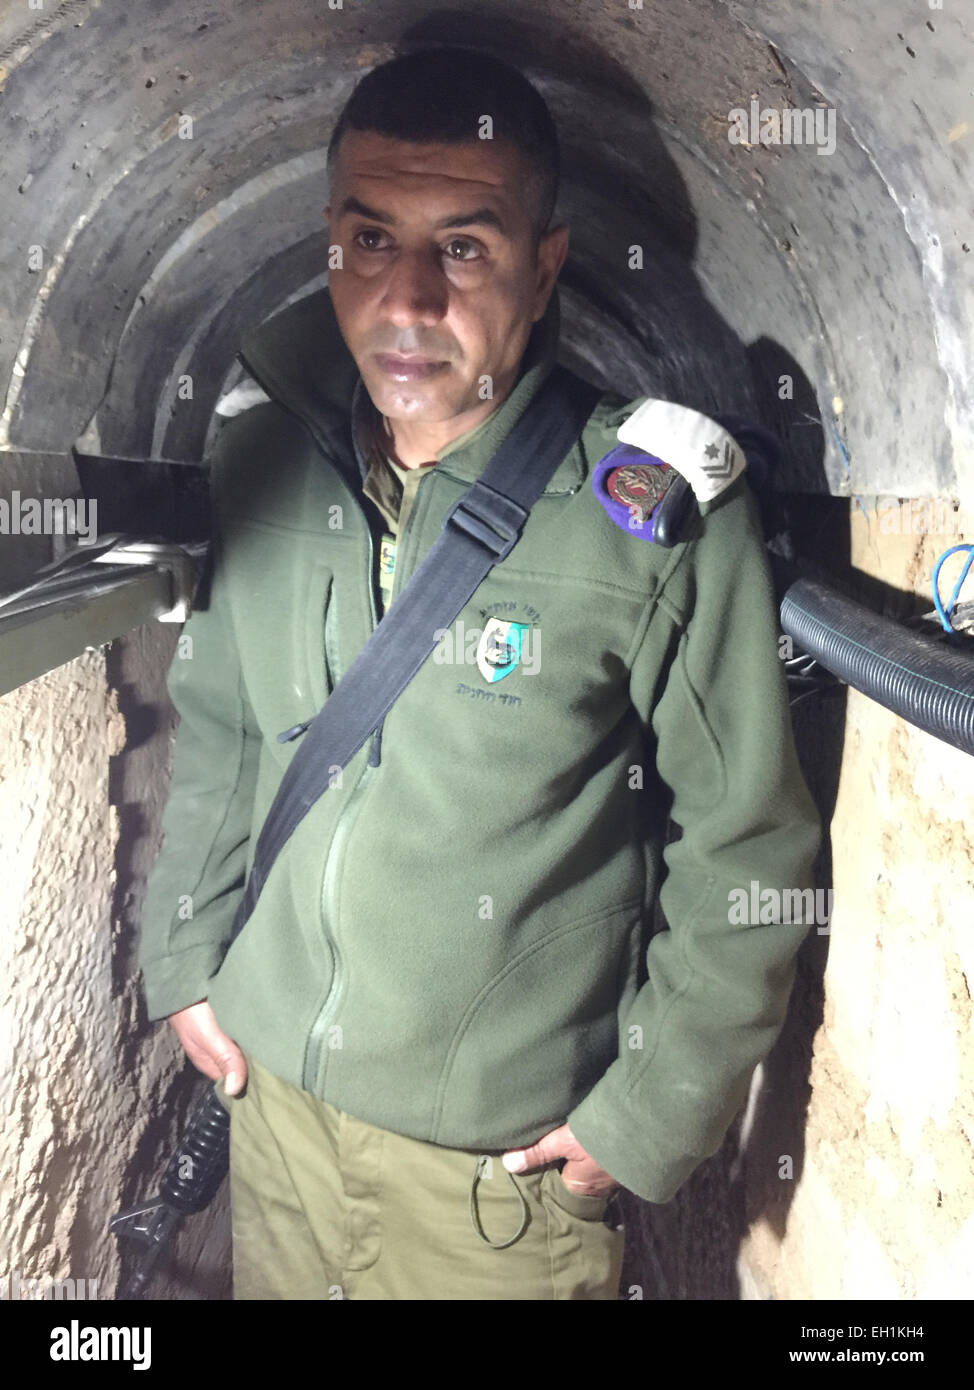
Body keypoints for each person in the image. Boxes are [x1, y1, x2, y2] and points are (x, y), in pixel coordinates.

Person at [137, 46, 821, 1301]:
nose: (405, 302)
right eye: (367, 239)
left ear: (542, 263)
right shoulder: (262, 464)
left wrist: (650, 1110)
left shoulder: (646, 517)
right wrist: (183, 958)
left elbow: (748, 843)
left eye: (461, 247)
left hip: (492, 1186)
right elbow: (225, 730)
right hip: (275, 1113)